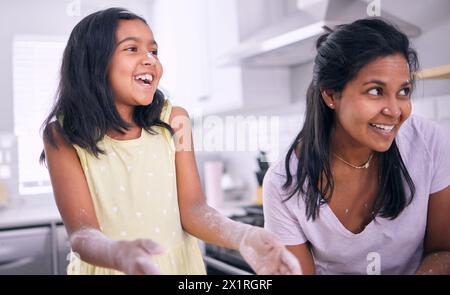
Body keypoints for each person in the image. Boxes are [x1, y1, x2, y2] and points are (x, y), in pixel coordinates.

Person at [41, 7, 301, 275]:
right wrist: (118, 254)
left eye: (153, 51)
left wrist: (243, 235)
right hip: (109, 266)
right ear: (94, 62)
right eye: (132, 49)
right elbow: (82, 233)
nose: (150, 59)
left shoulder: (177, 121)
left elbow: (194, 209)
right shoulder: (61, 136)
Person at [263, 18, 450, 275]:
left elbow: (443, 251)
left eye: (404, 91)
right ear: (330, 95)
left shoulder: (428, 143)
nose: (395, 110)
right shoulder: (284, 184)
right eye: (375, 91)